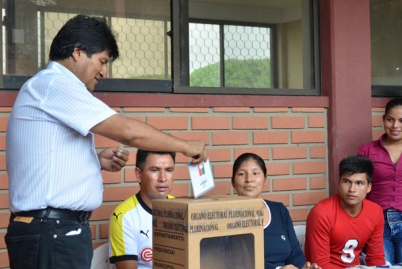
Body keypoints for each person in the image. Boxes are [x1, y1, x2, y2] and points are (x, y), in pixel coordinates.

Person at [5, 15, 207, 269]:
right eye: (102, 61)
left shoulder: (50, 88)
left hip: (56, 231)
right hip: (51, 232)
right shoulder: (55, 84)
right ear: (78, 52)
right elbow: (128, 131)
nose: (104, 72)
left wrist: (94, 161)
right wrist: (185, 146)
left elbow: (48, 160)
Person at [232, 152, 321, 269]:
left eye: (255, 173)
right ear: (233, 182)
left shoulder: (279, 210)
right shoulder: (227, 216)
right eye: (242, 174)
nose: (249, 179)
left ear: (265, 181)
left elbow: (295, 253)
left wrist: (304, 267)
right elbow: (234, 262)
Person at [305, 155, 385, 268]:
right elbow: (320, 264)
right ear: (338, 183)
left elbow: (375, 258)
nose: (352, 189)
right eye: (347, 181)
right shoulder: (321, 212)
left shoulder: (375, 211)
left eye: (359, 183)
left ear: (369, 187)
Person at [109, 149, 176, 269]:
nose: (163, 178)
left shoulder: (180, 209)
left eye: (169, 170)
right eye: (154, 170)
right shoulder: (123, 216)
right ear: (139, 175)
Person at [358, 97, 402, 264]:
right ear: (383, 120)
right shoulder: (367, 150)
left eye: (401, 121)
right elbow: (359, 187)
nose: (395, 126)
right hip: (377, 222)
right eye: (390, 119)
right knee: (381, 266)